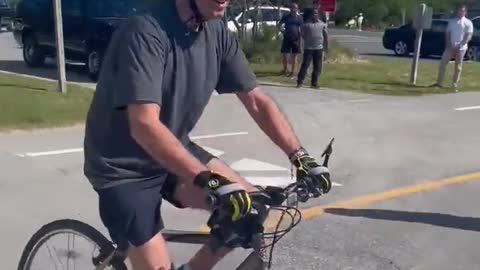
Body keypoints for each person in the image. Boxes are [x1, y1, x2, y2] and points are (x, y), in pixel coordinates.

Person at [82, 0, 333, 269]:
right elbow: (144, 124)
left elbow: (257, 101)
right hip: (122, 167)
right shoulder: (145, 31)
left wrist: (300, 157)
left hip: (171, 149)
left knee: (250, 209)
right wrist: (208, 180)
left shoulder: (216, 31)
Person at [432, 3, 473, 92]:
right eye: (459, 10)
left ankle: (454, 84)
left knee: (458, 67)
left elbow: (468, 35)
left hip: (461, 48)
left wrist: (461, 44)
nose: (461, 12)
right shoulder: (452, 22)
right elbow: (448, 34)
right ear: (457, 11)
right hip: (450, 47)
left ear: (465, 12)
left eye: (463, 11)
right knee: (442, 64)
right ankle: (439, 83)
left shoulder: (468, 23)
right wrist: (449, 46)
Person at [296, 8, 328, 88]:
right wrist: (300, 46)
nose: (315, 15)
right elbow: (301, 36)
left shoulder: (322, 24)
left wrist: (326, 47)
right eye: (313, 13)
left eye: (316, 13)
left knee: (317, 66)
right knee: (305, 65)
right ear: (311, 15)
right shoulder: (306, 24)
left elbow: (325, 36)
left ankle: (314, 83)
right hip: (308, 48)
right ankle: (300, 81)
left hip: (319, 48)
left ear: (318, 15)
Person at [279, 2, 303, 77]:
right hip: (287, 38)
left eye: (295, 8)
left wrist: (300, 40)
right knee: (285, 55)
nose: (293, 9)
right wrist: (282, 31)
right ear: (290, 9)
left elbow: (301, 29)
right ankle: (285, 69)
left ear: (297, 9)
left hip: (296, 39)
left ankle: (293, 71)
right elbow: (279, 25)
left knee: (294, 56)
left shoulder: (299, 18)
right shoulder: (286, 17)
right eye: (292, 8)